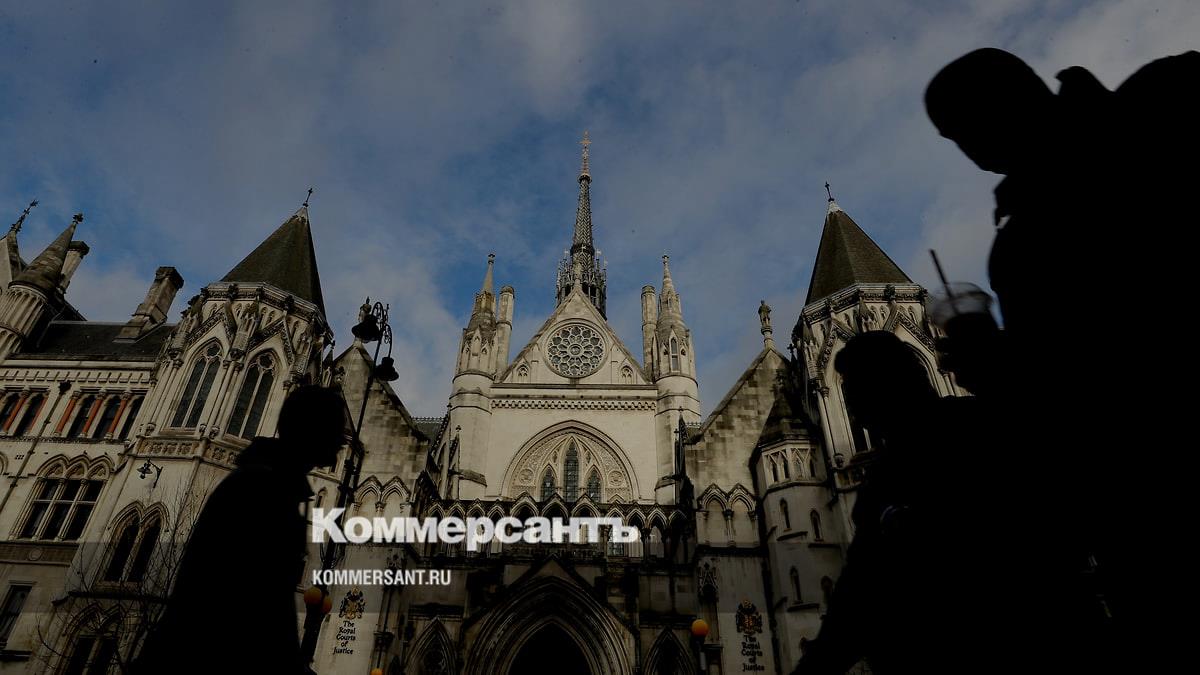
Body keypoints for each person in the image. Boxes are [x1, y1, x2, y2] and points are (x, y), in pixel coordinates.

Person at [794, 332, 1011, 675]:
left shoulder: (977, 429)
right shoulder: (880, 484)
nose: (854, 410)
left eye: (855, 393)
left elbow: (854, 605)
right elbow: (856, 599)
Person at [133, 385, 347, 674]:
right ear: (314, 432)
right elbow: (262, 607)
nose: (340, 443)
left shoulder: (268, 483)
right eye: (335, 431)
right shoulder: (266, 490)